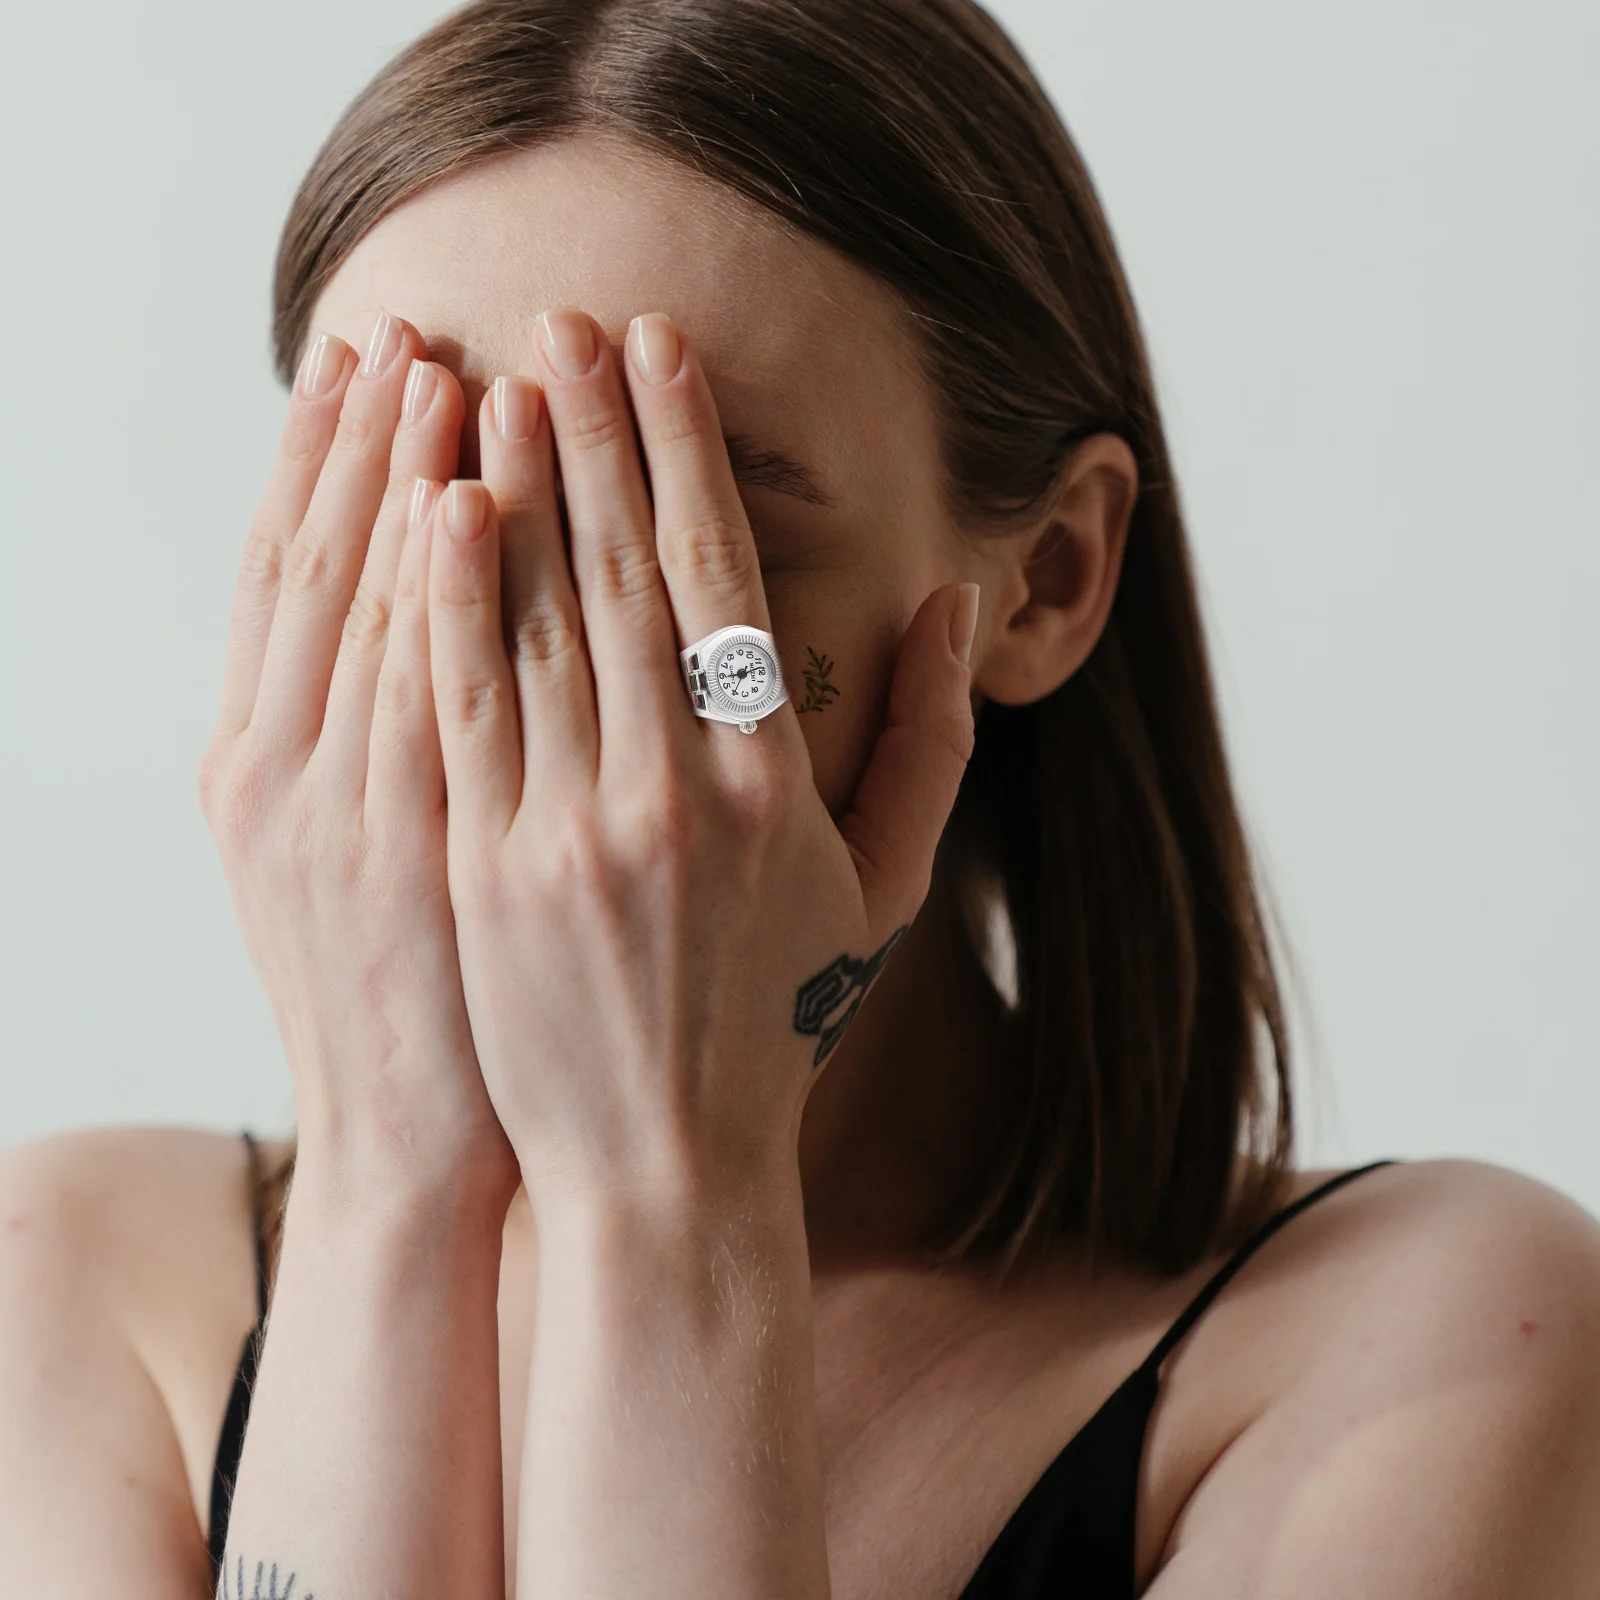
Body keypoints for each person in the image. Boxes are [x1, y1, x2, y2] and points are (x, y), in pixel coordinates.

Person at [4, 0, 1599, 1594]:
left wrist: (666, 1201)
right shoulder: (67, 1287)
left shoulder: (1430, 1346)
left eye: (676, 536)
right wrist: (390, 1174)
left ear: (1048, 577)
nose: (516, 663)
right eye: (413, 521)